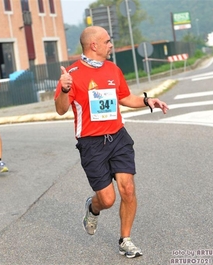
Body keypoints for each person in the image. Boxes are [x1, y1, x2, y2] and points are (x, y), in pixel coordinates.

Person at [55, 26, 169, 258]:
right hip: (91, 144)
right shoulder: (72, 74)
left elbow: (124, 96)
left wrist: (148, 101)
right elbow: (60, 109)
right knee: (107, 199)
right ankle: (92, 207)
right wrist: (65, 89)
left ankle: (125, 239)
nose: (111, 45)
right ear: (93, 45)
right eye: (107, 41)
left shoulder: (112, 69)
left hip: (118, 137)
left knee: (128, 189)